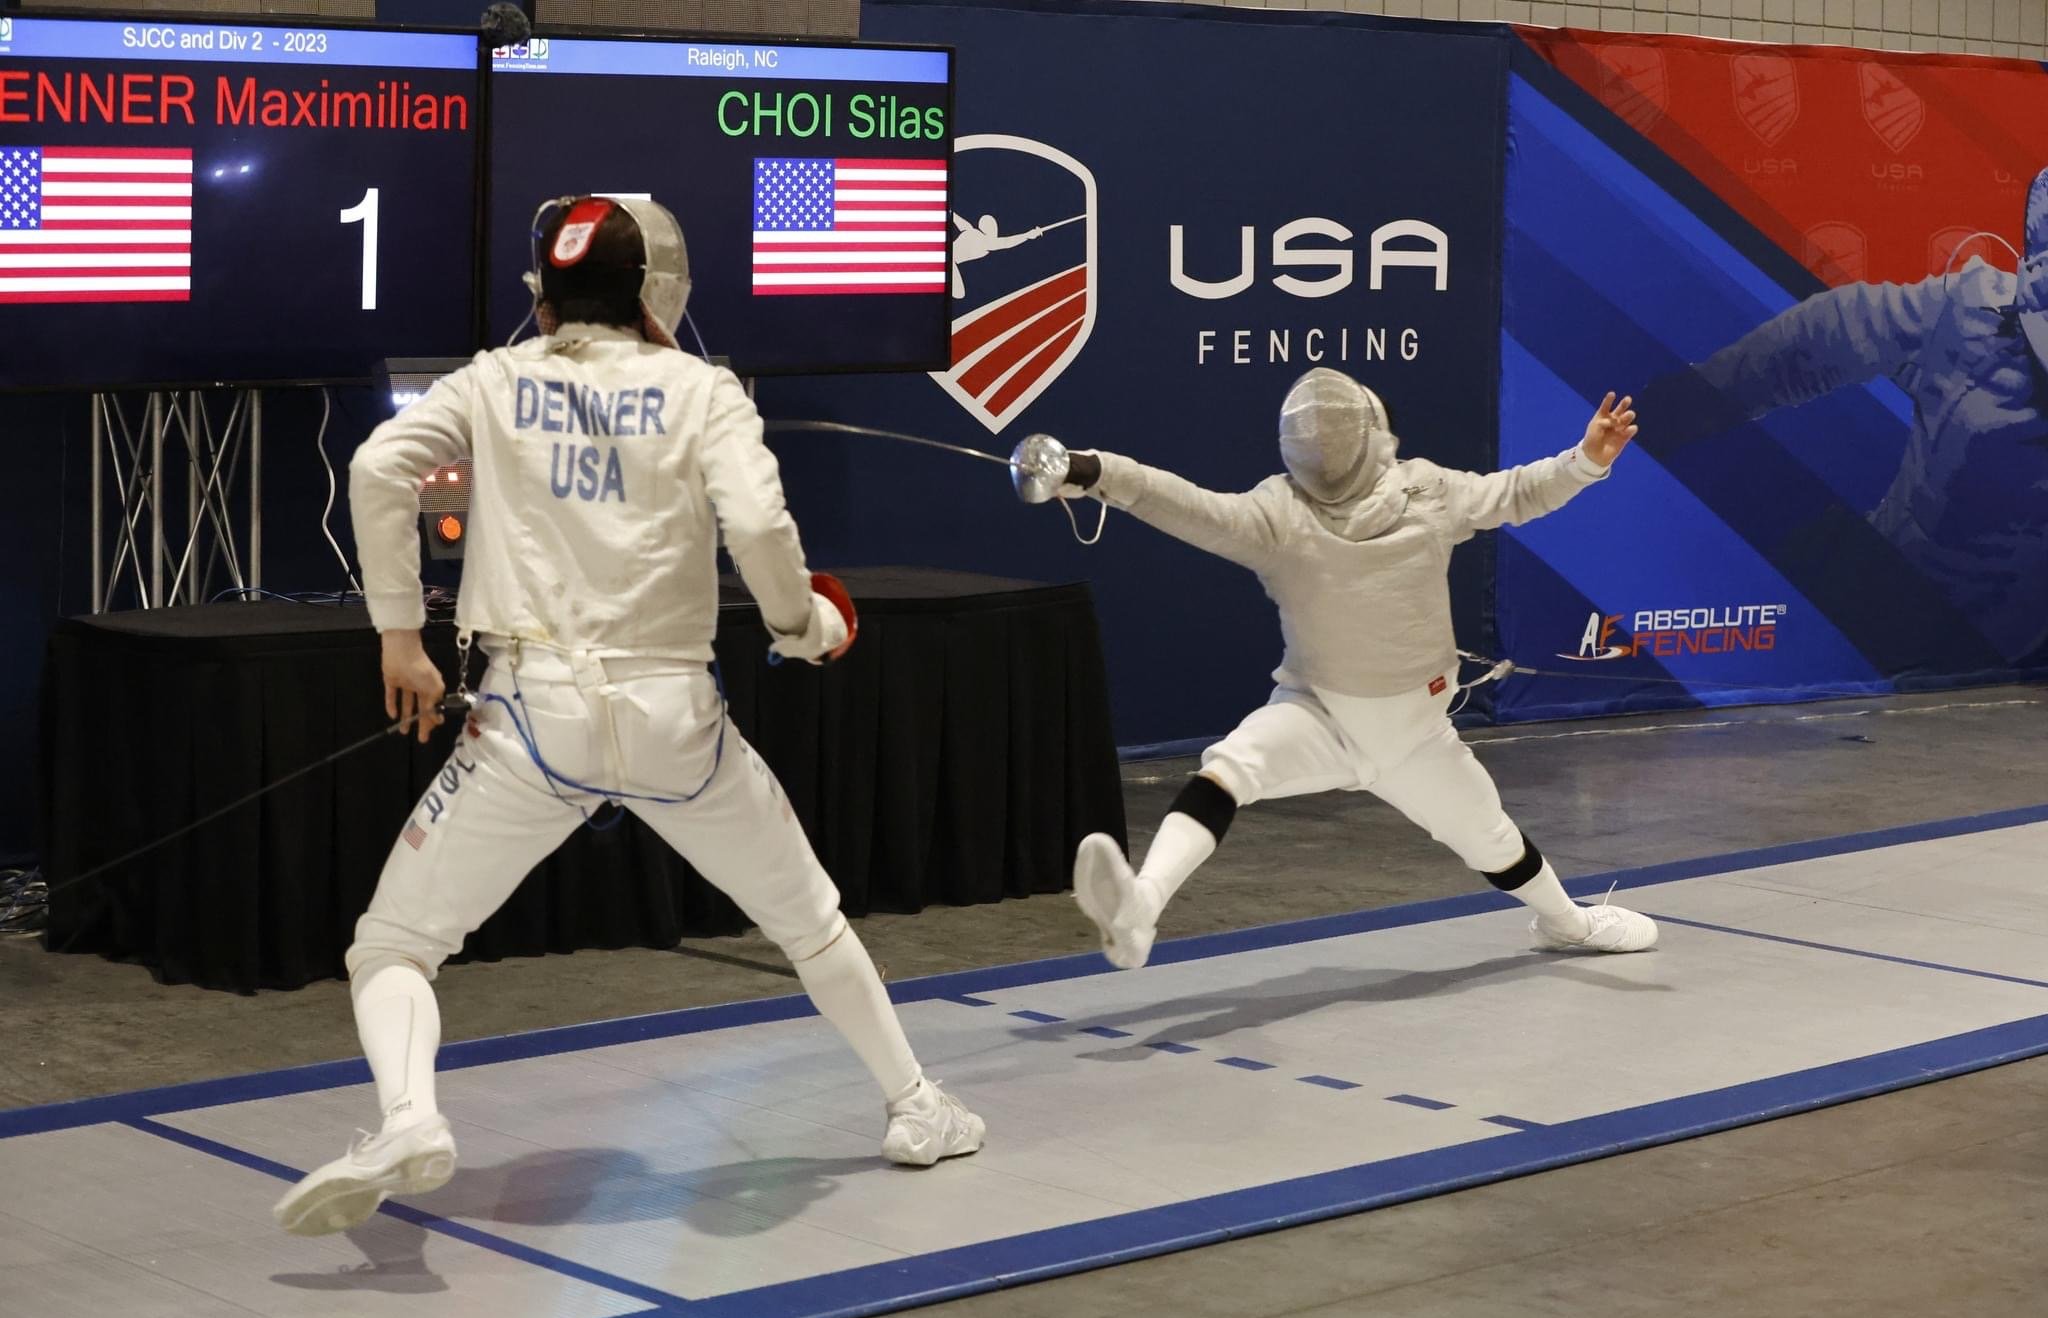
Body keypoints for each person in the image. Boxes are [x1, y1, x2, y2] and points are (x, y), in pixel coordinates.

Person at [274, 195, 983, 1237]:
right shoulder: (702, 389)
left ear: (545, 296)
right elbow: (757, 522)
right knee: (808, 920)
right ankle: (915, 1106)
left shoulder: (493, 378)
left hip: (528, 722)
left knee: (395, 945)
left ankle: (410, 1117)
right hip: (674, 722)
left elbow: (380, 466)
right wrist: (804, 626)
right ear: (656, 293)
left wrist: (398, 638)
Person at [1038, 368, 1660, 969]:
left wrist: (1091, 470)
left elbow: (1176, 502)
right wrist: (1585, 461)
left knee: (1479, 835)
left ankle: (1568, 925)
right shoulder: (1409, 493)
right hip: (1336, 716)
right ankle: (1140, 909)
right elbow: (1520, 493)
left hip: (1390, 731)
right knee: (1233, 771)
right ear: (1379, 435)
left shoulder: (1294, 511)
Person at [1643, 166, 2048, 665]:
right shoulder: (1969, 316)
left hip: (2013, 655)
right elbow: (1822, 336)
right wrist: (1681, 405)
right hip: (1890, 603)